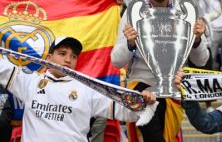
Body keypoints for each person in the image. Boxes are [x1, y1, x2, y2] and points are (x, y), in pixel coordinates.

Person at [111, 0, 209, 142]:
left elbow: (202, 60)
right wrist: (130, 44)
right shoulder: (133, 13)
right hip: (141, 87)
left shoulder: (185, 12)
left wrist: (197, 40)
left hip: (173, 92)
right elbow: (116, 61)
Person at [0, 36, 156, 142]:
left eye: (74, 56)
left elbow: (126, 111)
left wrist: (144, 101)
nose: (68, 60)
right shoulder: (30, 82)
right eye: (62, 54)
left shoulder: (89, 89)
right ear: (48, 58)